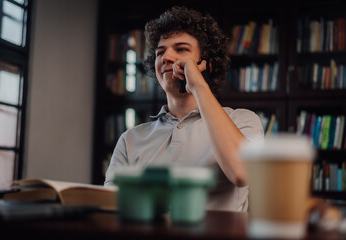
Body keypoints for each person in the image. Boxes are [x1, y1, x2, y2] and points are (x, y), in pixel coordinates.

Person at [105, 6, 264, 212]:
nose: (166, 57)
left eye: (181, 49)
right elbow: (111, 207)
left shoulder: (244, 121)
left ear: (208, 65)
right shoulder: (130, 139)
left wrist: (198, 86)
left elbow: (243, 172)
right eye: (160, 52)